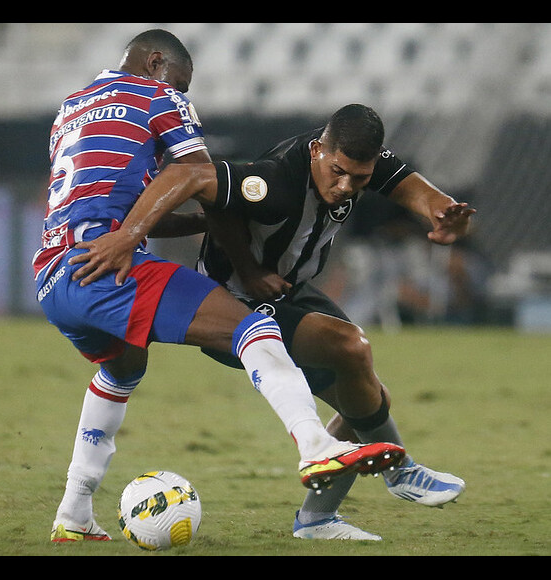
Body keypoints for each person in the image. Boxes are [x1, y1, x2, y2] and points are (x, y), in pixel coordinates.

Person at [34, 31, 404, 543]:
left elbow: (93, 205)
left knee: (122, 368)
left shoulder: (71, 109)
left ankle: (74, 512)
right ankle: (316, 444)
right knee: (251, 326)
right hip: (109, 268)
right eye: (183, 83)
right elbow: (194, 171)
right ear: (157, 62)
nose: (184, 94)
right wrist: (130, 238)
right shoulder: (158, 95)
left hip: (56, 274)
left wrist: (177, 227)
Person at [73, 104, 474, 542]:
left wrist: (443, 209)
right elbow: (189, 178)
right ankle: (401, 471)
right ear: (319, 149)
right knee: (351, 347)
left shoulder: (355, 162)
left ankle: (317, 521)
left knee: (367, 402)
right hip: (235, 303)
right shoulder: (275, 180)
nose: (346, 187)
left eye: (359, 179)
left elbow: (409, 187)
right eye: (338, 172)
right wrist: (134, 240)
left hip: (288, 289)